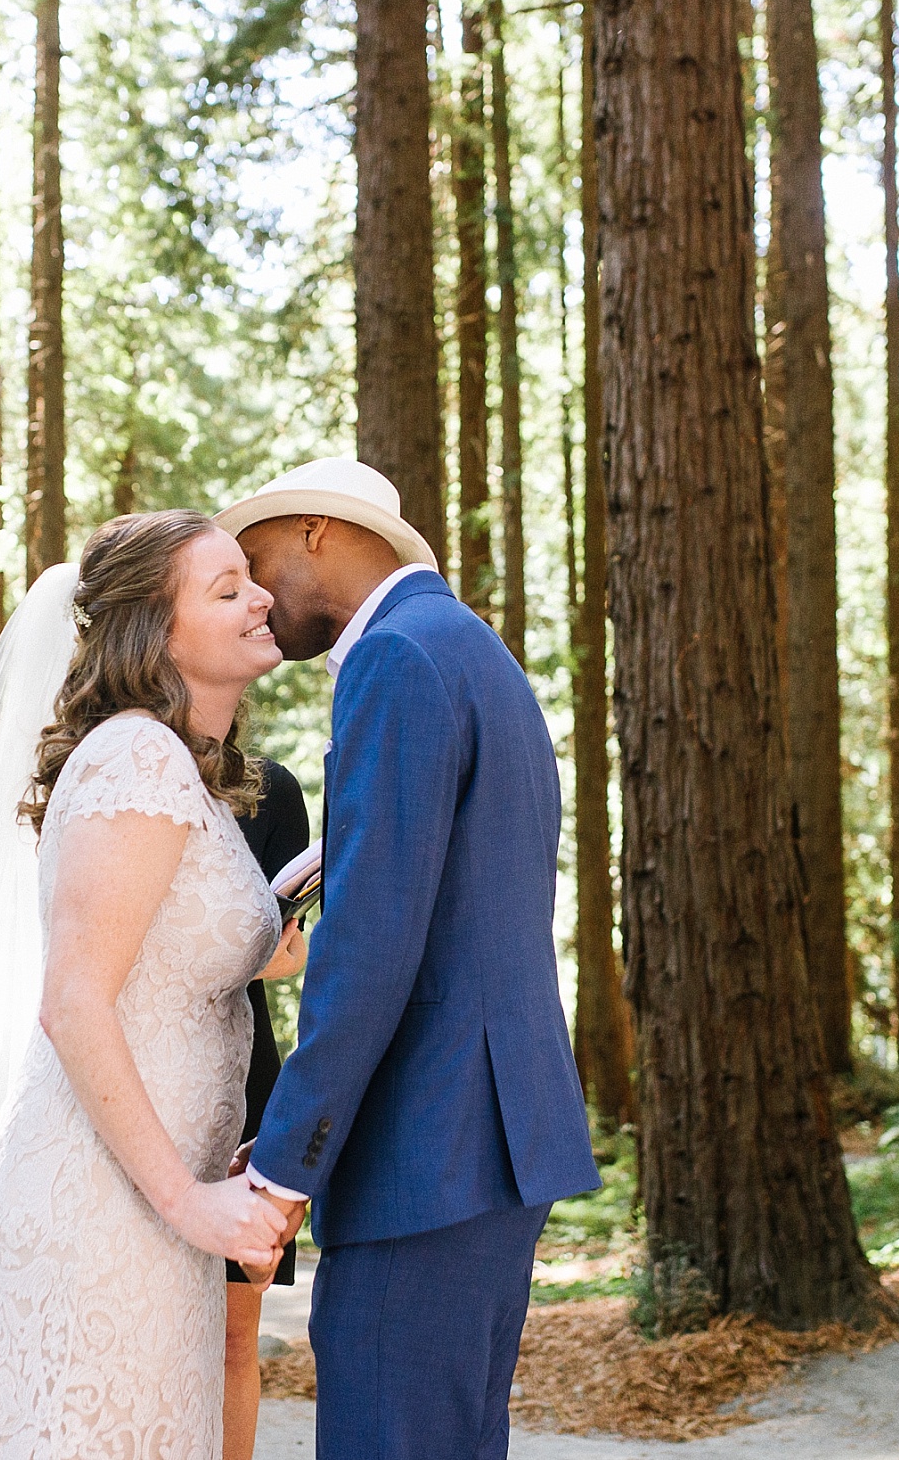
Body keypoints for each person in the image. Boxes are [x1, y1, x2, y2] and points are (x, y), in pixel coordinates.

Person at [0, 509, 300, 1459]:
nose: (262, 596)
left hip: (160, 1196)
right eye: (226, 590)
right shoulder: (136, 756)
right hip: (111, 1202)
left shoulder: (184, 768)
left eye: (251, 578)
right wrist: (190, 1204)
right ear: (153, 631)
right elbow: (73, 1001)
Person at [217, 457, 602, 1460]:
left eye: (256, 562)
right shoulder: (465, 646)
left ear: (315, 531)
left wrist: (284, 1163)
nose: (255, 597)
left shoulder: (396, 657)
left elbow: (371, 947)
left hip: (429, 1141)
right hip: (486, 1137)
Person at [223, 758, 311, 1460]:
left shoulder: (270, 790)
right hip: (124, 1073)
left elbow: (293, 949)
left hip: (242, 1075)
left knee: (231, 1338)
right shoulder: (107, 766)